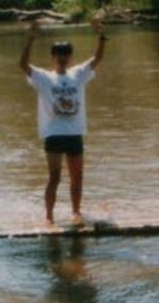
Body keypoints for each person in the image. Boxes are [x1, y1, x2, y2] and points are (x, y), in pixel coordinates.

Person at [19, 18, 106, 225]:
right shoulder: (44, 77)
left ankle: (76, 212)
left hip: (75, 132)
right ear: (52, 57)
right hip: (54, 133)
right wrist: (30, 40)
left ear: (70, 56)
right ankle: (49, 217)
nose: (62, 57)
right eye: (58, 53)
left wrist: (101, 36)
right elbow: (23, 65)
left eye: (66, 53)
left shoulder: (78, 74)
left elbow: (97, 58)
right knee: (54, 177)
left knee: (78, 176)